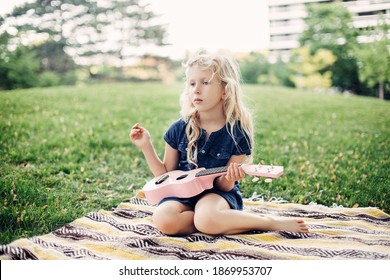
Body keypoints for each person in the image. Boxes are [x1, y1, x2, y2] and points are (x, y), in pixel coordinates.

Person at [130, 53, 308, 236]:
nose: (196, 90)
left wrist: (230, 177)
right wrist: (146, 145)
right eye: (192, 84)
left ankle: (268, 223)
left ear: (225, 90)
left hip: (217, 195)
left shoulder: (237, 133)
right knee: (163, 219)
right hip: (181, 196)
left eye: (205, 83)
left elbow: (225, 187)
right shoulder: (179, 128)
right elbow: (164, 175)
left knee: (207, 216)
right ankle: (213, 222)